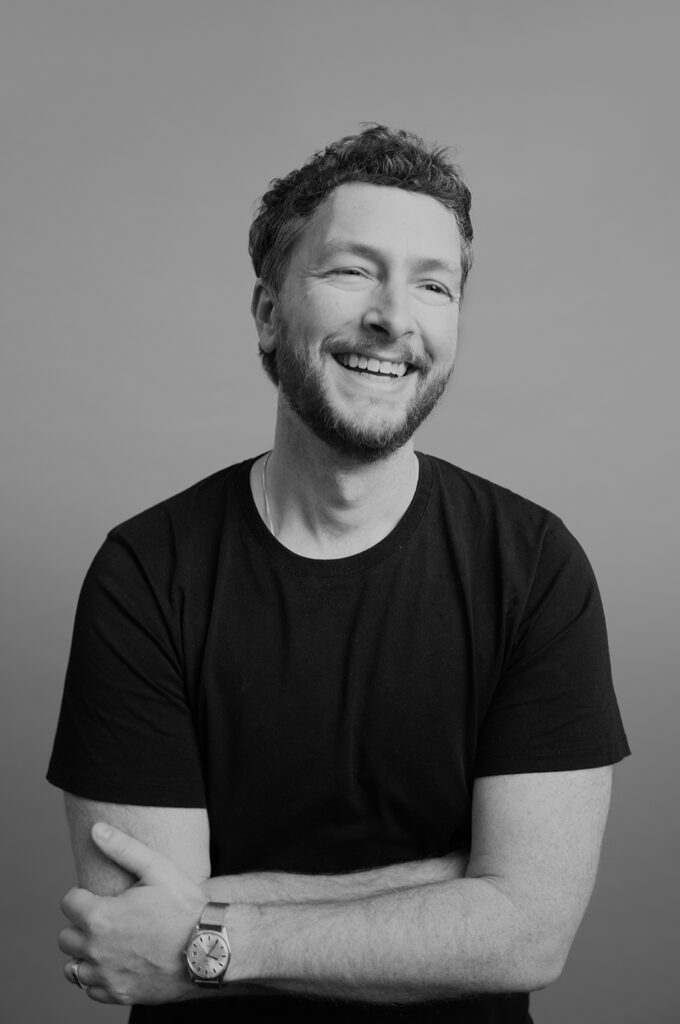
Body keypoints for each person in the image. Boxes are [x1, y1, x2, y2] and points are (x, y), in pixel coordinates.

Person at [48, 125, 630, 1023]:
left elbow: (531, 933)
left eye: (433, 285)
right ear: (268, 313)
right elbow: (130, 927)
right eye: (353, 270)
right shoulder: (145, 574)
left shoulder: (536, 568)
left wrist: (210, 929)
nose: (394, 316)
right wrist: (468, 885)